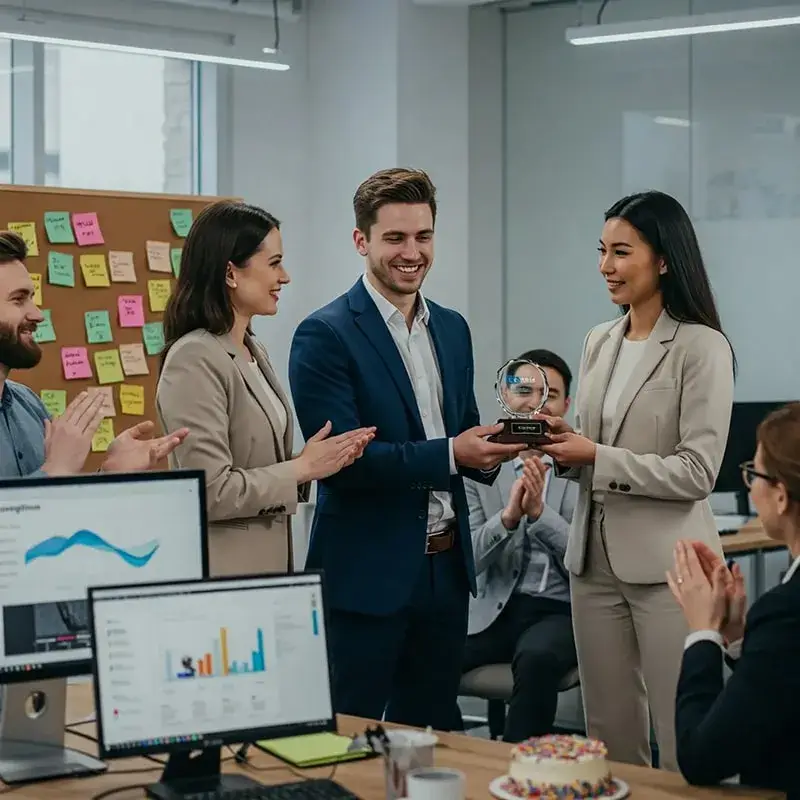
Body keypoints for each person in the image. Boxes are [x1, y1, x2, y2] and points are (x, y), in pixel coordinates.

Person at [288, 167, 524, 729]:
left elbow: (461, 429)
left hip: (445, 573)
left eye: (423, 236)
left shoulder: (452, 327)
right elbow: (343, 464)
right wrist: (452, 454)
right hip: (366, 576)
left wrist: (505, 443)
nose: (411, 252)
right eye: (395, 238)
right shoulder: (324, 335)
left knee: (435, 738)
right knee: (352, 739)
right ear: (361, 241)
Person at [538, 191, 734, 770]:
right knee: (608, 737)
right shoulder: (600, 340)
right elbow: (591, 453)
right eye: (602, 251)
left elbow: (696, 472)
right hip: (591, 565)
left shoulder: (702, 346)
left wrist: (594, 453)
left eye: (621, 252)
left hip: (668, 569)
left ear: (664, 259)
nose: (606, 266)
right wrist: (561, 446)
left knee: (682, 735)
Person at [156, 201, 373, 578]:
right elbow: (210, 490)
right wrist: (300, 468)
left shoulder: (253, 349)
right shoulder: (194, 357)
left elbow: (255, 462)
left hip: (267, 568)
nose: (285, 276)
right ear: (230, 273)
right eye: (274, 263)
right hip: (224, 574)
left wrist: (312, 462)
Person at [668, 402, 800, 796]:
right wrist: (740, 636)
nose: (750, 485)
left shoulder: (786, 610)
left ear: (780, 496)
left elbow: (702, 757)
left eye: (754, 473)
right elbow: (781, 686)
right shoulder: (782, 616)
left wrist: (702, 633)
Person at [459, 349, 579, 742]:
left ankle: (522, 773)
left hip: (560, 611)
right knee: (426, 653)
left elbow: (587, 561)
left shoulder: (584, 468)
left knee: (538, 658)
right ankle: (451, 759)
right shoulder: (479, 470)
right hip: (494, 609)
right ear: (506, 398)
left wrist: (540, 516)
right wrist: (508, 519)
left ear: (565, 405)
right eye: (524, 390)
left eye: (550, 394)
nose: (535, 403)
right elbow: (469, 560)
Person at [0, 230, 187, 479]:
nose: (37, 314)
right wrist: (56, 469)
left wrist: (107, 474)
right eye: (18, 299)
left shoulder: (27, 404)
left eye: (32, 298)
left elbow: (54, 510)